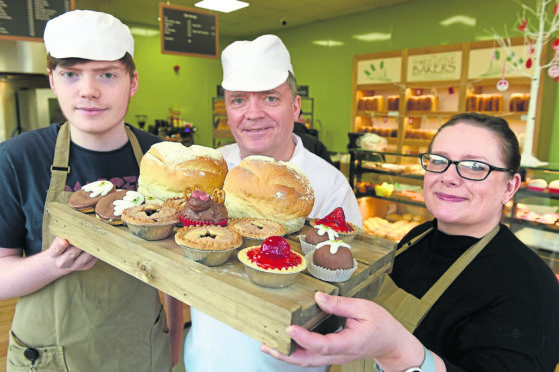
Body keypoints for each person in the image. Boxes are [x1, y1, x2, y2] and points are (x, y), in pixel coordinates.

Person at [261, 112, 559, 371]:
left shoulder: (531, 289)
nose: (449, 177)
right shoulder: (418, 237)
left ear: (510, 186)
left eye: (475, 166)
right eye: (439, 160)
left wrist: (396, 351)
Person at [0, 10, 183, 371]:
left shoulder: (161, 159)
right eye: (70, 74)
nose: (88, 90)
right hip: (49, 356)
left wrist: (174, 337)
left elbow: (177, 268)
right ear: (52, 81)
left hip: (143, 350)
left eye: (107, 75)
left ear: (132, 82)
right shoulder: (17, 158)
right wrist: (53, 264)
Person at [183, 34, 363, 372]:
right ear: (227, 109)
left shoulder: (329, 186)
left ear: (295, 107)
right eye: (238, 100)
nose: (253, 114)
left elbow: (345, 299)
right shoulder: (211, 170)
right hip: (203, 359)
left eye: (269, 98)